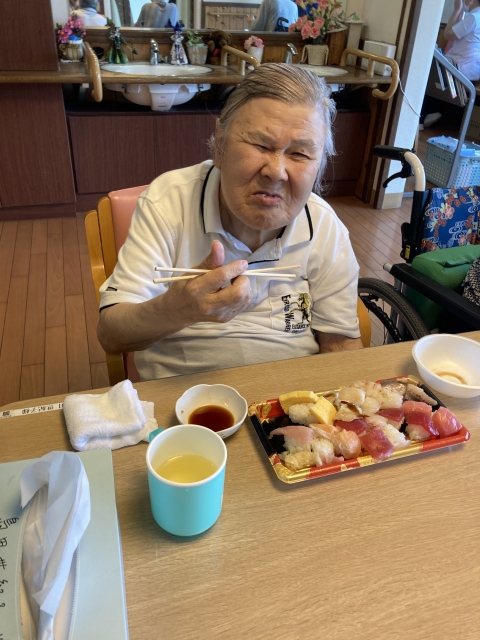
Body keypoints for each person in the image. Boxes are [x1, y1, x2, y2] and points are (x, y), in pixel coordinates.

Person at [97, 64, 362, 381]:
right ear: (220, 145)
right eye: (260, 146)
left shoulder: (324, 226)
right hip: (182, 397)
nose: (276, 172)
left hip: (291, 396)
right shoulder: (168, 202)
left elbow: (340, 344)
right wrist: (179, 308)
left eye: (300, 154)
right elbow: (111, 334)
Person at [443, 0, 480, 81]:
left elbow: (447, 35)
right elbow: (458, 31)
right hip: (471, 65)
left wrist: (456, 10)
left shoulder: (474, 17)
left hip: (464, 66)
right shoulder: (475, 16)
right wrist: (460, 12)